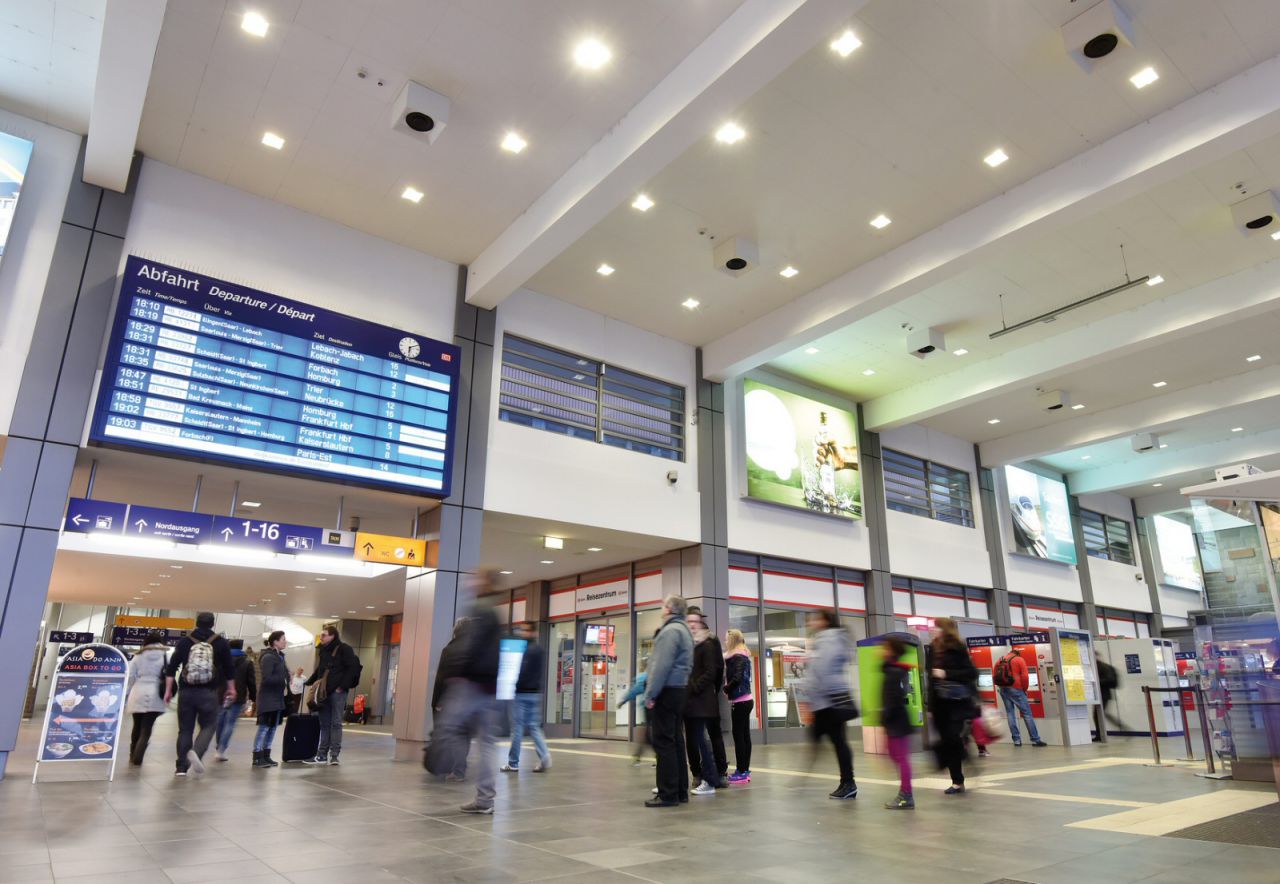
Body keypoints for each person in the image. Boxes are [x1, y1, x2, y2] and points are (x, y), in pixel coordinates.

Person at [435, 594, 502, 814]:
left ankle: (443, 765)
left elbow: (446, 673)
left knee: (448, 729)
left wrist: (440, 699)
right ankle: (484, 799)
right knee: (486, 744)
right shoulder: (495, 620)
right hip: (489, 691)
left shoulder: (479, 618)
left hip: (472, 689)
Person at [164, 612, 235, 776]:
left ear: (196, 622)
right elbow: (229, 668)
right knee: (209, 725)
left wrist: (168, 691)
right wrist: (231, 688)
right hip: (209, 692)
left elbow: (171, 667)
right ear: (212, 624)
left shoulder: (184, 642)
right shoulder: (221, 643)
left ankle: (181, 768)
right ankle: (196, 752)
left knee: (185, 730)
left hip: (186, 691)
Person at [799, 609, 858, 800]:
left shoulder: (828, 640)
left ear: (824, 621)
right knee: (835, 740)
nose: (811, 623)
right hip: (826, 700)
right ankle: (846, 782)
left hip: (828, 701)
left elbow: (822, 671)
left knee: (836, 741)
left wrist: (809, 691)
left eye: (814, 619)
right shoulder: (828, 640)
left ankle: (847, 782)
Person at [643, 594, 694, 808]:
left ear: (670, 609)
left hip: (666, 691)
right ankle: (680, 790)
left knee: (663, 742)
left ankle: (668, 793)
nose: (661, 608)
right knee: (676, 741)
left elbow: (660, 666)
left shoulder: (670, 631)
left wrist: (651, 694)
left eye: (663, 605)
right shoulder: (684, 630)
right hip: (680, 690)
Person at [928, 617, 978, 795]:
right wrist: (930, 707)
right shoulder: (933, 648)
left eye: (935, 628)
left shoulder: (957, 647)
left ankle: (958, 781)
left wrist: (946, 673)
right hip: (940, 704)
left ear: (945, 630)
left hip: (956, 703)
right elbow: (931, 680)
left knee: (951, 739)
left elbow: (971, 672)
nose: (931, 630)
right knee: (947, 742)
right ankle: (959, 769)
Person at [683, 607, 726, 795]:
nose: (692, 623)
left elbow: (716, 668)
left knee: (708, 736)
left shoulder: (709, 640)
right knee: (696, 737)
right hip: (696, 696)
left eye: (695, 620)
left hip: (704, 695)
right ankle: (702, 774)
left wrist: (712, 690)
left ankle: (715, 772)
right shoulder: (688, 640)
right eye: (689, 620)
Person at [303, 625, 360, 765]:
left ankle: (334, 755)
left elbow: (352, 668)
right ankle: (322, 755)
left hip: (337, 692)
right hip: (324, 692)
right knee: (324, 724)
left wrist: (342, 687)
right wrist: (309, 682)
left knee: (335, 723)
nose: (321, 637)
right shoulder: (323, 650)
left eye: (324, 635)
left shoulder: (344, 649)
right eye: (321, 635)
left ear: (332, 636)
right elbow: (320, 670)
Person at [502, 621, 551, 773]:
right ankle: (544, 755)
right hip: (536, 694)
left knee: (517, 728)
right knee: (534, 727)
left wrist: (514, 686)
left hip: (522, 693)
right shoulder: (540, 650)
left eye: (525, 630)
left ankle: (513, 763)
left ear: (532, 632)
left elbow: (523, 673)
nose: (522, 633)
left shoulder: (528, 650)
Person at [880, 636, 917, 810]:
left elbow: (893, 699)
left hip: (896, 720)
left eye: (885, 648)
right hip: (895, 719)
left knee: (900, 757)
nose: (881, 651)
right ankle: (905, 792)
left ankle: (906, 795)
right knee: (896, 755)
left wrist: (886, 719)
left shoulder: (894, 672)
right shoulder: (891, 670)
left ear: (892, 651)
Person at [125, 631, 169, 765]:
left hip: (138, 691)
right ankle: (139, 755)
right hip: (156, 692)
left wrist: (126, 694)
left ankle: (133, 754)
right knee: (147, 727)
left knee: (137, 725)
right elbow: (169, 675)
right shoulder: (166, 656)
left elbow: (131, 677)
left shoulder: (138, 656)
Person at [993, 649, 1046, 748]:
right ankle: (1035, 739)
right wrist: (1024, 689)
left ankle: (1016, 740)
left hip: (1003, 689)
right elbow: (1025, 676)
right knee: (1027, 714)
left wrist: (1001, 686)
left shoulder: (999, 660)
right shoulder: (1019, 659)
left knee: (1010, 713)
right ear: (1018, 654)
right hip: (1016, 688)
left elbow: (994, 676)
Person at [214, 639, 256, 761]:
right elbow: (251, 682)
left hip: (221, 695)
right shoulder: (247, 662)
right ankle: (221, 749)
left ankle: (218, 748)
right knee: (230, 723)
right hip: (238, 696)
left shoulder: (221, 660)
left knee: (220, 722)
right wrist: (253, 697)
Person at [253, 630, 289, 768]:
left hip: (277, 698)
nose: (285, 641)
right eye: (283, 639)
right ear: (275, 641)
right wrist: (283, 679)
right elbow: (267, 678)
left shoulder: (280, 657)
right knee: (264, 728)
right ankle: (257, 756)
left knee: (273, 727)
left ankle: (266, 755)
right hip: (268, 698)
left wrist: (288, 676)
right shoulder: (268, 657)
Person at [723, 628, 754, 784]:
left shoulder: (738, 657)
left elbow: (737, 676)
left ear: (732, 640)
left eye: (726, 639)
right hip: (746, 700)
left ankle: (741, 771)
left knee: (739, 737)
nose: (725, 641)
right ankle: (744, 769)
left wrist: (726, 688)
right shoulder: (743, 654)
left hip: (740, 701)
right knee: (744, 736)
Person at [618, 660, 650, 765]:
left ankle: (639, 756)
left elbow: (634, 690)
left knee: (649, 734)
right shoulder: (661, 675)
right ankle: (638, 756)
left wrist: (623, 700)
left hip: (649, 708)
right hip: (659, 708)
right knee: (649, 734)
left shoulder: (643, 677)